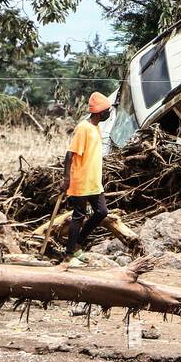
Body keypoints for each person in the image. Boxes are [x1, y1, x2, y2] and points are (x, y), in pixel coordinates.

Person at [64, 92, 113, 264]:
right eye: (108, 110)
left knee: (101, 212)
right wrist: (66, 178)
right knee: (79, 216)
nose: (109, 113)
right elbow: (69, 155)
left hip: (93, 182)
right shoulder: (83, 128)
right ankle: (69, 254)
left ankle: (78, 243)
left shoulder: (96, 127)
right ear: (100, 112)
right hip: (80, 180)